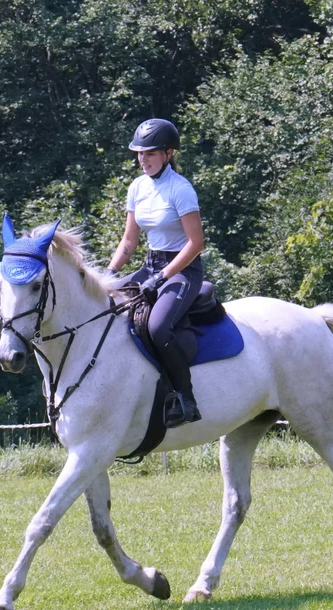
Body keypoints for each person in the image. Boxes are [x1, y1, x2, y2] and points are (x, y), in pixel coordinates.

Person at [108, 118, 205, 428]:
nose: (142, 159)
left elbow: (196, 243)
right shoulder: (137, 187)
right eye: (139, 153)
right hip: (150, 265)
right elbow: (129, 241)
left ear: (167, 153)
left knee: (159, 326)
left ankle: (185, 399)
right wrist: (107, 274)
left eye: (149, 153)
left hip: (182, 270)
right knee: (106, 308)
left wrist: (162, 277)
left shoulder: (181, 189)